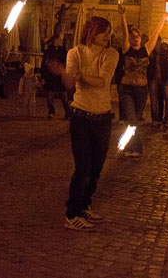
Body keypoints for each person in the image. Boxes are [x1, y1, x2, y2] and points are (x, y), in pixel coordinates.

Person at [46, 16, 119, 231]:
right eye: (104, 31)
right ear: (91, 31)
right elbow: (69, 83)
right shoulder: (74, 53)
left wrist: (77, 74)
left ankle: (85, 204)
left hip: (103, 118)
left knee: (96, 168)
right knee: (83, 167)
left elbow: (102, 80)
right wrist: (63, 74)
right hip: (81, 117)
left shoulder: (111, 54)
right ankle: (72, 213)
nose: (108, 36)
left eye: (109, 32)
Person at [117, 4, 166, 156]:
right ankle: (135, 147)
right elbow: (124, 32)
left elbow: (156, 33)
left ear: (140, 38)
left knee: (135, 120)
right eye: (133, 36)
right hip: (127, 89)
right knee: (131, 118)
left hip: (141, 90)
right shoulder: (126, 49)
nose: (135, 38)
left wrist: (163, 18)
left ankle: (130, 147)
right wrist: (123, 16)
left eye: (137, 36)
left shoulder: (146, 49)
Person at [41, 35, 71, 119]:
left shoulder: (64, 52)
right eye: (59, 40)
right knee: (50, 96)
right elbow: (44, 64)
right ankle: (51, 111)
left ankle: (68, 112)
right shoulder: (48, 51)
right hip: (50, 77)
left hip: (60, 77)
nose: (61, 41)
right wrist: (43, 77)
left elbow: (67, 64)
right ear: (55, 41)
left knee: (64, 96)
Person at [151, 42, 168, 124]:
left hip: (164, 79)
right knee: (156, 99)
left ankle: (167, 117)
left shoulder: (165, 56)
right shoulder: (153, 55)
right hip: (155, 79)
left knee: (166, 98)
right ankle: (157, 118)